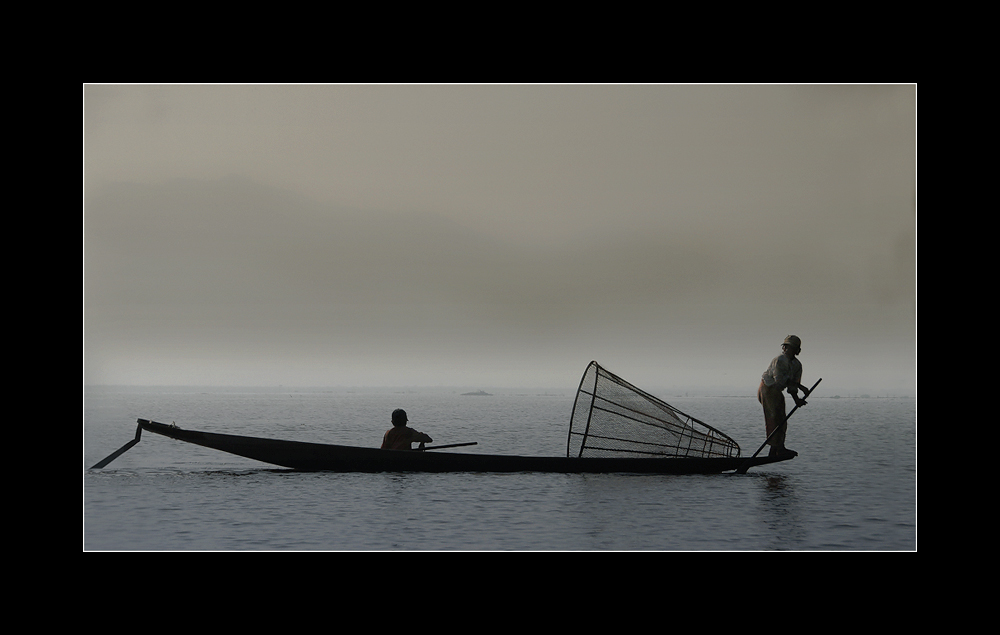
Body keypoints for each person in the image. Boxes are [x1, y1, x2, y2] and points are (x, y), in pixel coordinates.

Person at [757, 335, 808, 458]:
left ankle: (777, 449)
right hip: (767, 389)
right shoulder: (779, 360)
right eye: (785, 346)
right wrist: (800, 387)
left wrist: (797, 400)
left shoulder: (797, 365)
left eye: (789, 347)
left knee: (782, 420)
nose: (786, 349)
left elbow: (792, 388)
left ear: (797, 350)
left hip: (776, 391)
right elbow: (779, 380)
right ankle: (776, 448)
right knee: (773, 418)